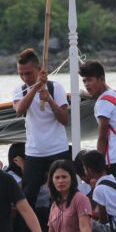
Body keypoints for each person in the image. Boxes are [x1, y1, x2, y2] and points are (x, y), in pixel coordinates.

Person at [12, 48, 70, 217]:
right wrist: (35, 87)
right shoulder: (20, 90)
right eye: (21, 74)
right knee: (28, 196)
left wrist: (49, 99)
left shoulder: (55, 88)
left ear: (39, 69)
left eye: (28, 73)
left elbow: (64, 119)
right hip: (34, 152)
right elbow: (19, 110)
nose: (24, 77)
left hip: (57, 150)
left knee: (61, 195)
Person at [79, 60, 116, 181]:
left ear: (101, 78)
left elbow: (102, 137)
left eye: (90, 80)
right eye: (84, 81)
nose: (87, 84)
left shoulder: (103, 102)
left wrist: (98, 166)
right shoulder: (115, 94)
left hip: (113, 159)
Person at [45, 159, 99, 232]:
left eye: (64, 177)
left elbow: (85, 226)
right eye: (57, 177)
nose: (60, 181)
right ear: (51, 180)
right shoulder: (54, 204)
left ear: (72, 178)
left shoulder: (80, 199)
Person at [82, 150, 116, 232]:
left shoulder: (99, 189)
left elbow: (103, 219)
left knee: (84, 223)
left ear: (89, 170)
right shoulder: (115, 180)